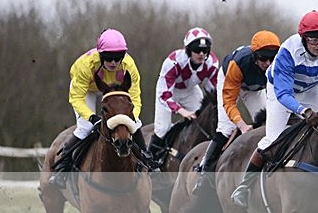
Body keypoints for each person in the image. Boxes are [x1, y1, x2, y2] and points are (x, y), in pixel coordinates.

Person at [231, 11, 318, 208]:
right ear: (303, 38)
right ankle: (244, 186)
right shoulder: (288, 51)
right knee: (272, 139)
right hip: (281, 92)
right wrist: (304, 112)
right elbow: (284, 93)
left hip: (312, 89)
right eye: (314, 40)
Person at [50, 28, 154, 188]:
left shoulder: (129, 66)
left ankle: (147, 160)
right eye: (109, 58)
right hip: (88, 90)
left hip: (115, 89)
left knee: (135, 122)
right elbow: (76, 98)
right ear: (100, 55)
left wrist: (130, 117)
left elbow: (135, 98)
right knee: (85, 127)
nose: (113, 62)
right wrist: (91, 117)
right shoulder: (85, 66)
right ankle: (62, 169)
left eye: (117, 58)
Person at [193, 30, 281, 193]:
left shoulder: (279, 64)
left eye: (272, 58)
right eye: (263, 58)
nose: (268, 63)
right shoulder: (239, 64)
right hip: (231, 82)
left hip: (254, 89)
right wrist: (241, 125)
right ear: (255, 56)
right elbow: (229, 101)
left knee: (270, 124)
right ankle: (204, 171)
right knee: (226, 128)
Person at [148, 27, 220, 164]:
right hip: (169, 92)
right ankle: (150, 160)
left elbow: (214, 93)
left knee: (204, 119)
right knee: (162, 128)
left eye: (205, 51)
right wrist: (181, 111)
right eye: (197, 50)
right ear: (187, 50)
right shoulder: (173, 62)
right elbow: (164, 95)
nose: (201, 54)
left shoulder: (212, 63)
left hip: (190, 91)